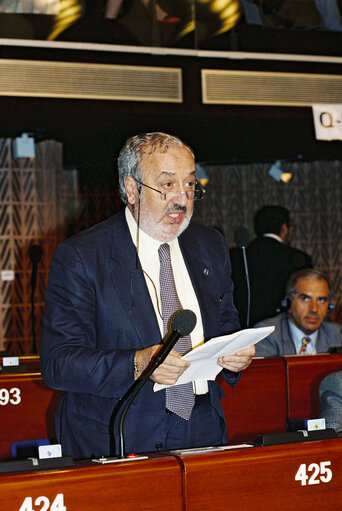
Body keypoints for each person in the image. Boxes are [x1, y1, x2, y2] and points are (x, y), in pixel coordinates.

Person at [40, 132, 254, 460]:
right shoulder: (83, 256)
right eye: (167, 185)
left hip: (202, 425)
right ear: (131, 189)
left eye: (189, 185)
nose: (182, 199)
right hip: (120, 430)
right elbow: (59, 363)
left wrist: (234, 353)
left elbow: (226, 322)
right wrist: (138, 363)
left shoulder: (209, 245)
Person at [230, 205, 313, 327]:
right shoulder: (298, 258)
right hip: (284, 332)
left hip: (244, 334)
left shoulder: (235, 256)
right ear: (284, 228)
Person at [254, 269, 342, 357]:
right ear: (288, 302)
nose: (314, 309)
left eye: (321, 300)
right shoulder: (267, 335)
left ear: (329, 306)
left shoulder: (338, 335)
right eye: (305, 298)